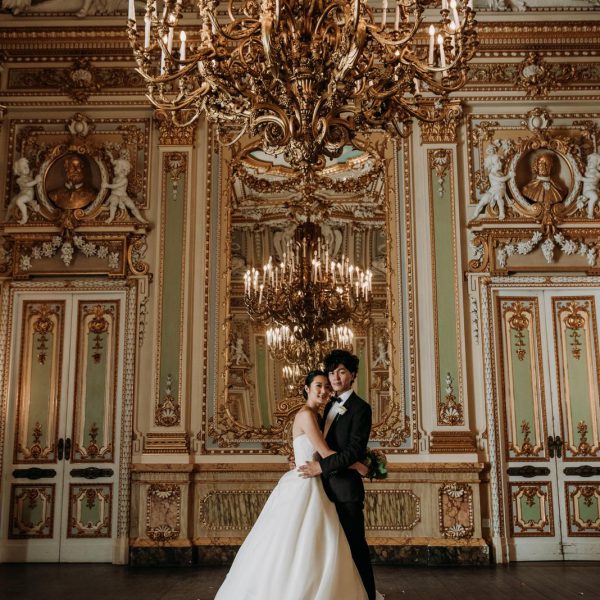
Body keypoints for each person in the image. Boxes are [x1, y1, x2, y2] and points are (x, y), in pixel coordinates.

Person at [214, 370, 376, 600]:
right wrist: (358, 466)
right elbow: (326, 453)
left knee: (316, 542)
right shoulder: (307, 415)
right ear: (307, 388)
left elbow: (316, 453)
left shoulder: (320, 414)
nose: (324, 390)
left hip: (313, 478)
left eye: (326, 387)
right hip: (305, 483)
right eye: (318, 386)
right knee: (298, 542)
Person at [299, 349, 377, 600]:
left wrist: (322, 466)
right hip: (321, 489)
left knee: (355, 547)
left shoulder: (360, 409)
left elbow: (354, 450)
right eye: (331, 372)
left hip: (346, 491)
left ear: (352, 375)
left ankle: (367, 596)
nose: (334, 377)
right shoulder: (328, 405)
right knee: (332, 550)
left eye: (341, 371)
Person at [103, 157, 147, 223]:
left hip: (123, 196)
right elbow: (113, 162)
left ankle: (140, 219)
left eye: (116, 167)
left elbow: (115, 186)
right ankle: (111, 217)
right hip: (114, 195)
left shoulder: (124, 180)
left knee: (132, 206)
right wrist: (111, 157)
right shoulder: (114, 178)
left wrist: (107, 185)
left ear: (122, 170)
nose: (114, 168)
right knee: (113, 204)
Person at [8, 157, 41, 224]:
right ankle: (6, 219)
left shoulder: (30, 176)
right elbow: (27, 185)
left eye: (27, 166)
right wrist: (36, 181)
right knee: (11, 205)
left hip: (28, 195)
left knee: (19, 201)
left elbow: (34, 171)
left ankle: (25, 217)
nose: (26, 168)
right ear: (19, 171)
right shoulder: (19, 180)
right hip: (22, 193)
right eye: (24, 167)